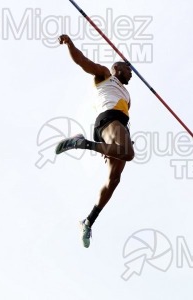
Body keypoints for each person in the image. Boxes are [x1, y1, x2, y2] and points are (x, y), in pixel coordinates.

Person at [56, 34, 135, 248]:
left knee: (114, 179)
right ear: (117, 67)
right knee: (128, 153)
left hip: (118, 128)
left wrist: (120, 142)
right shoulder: (105, 75)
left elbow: (126, 118)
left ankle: (88, 221)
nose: (131, 73)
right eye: (128, 69)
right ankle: (83, 143)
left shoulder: (127, 95)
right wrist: (70, 44)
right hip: (109, 120)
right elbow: (83, 62)